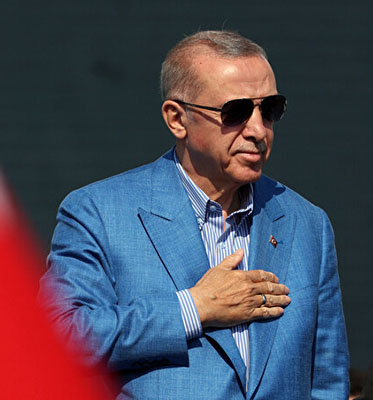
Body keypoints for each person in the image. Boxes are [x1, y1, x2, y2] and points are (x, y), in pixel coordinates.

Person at [38, 30, 349, 399]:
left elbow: (327, 380)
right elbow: (56, 339)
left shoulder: (307, 223)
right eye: (236, 111)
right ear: (177, 119)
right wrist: (194, 308)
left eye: (269, 110)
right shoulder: (99, 213)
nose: (257, 130)